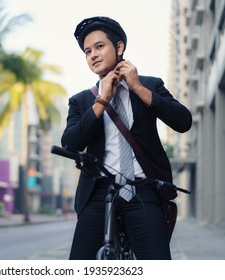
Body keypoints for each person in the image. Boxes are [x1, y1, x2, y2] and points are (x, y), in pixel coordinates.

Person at [61, 16, 192, 260]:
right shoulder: (81, 100)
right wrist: (102, 101)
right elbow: (70, 143)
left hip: (143, 188)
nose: (93, 55)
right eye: (87, 51)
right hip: (99, 190)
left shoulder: (150, 84)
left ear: (119, 47)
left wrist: (139, 89)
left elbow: (183, 122)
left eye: (100, 46)